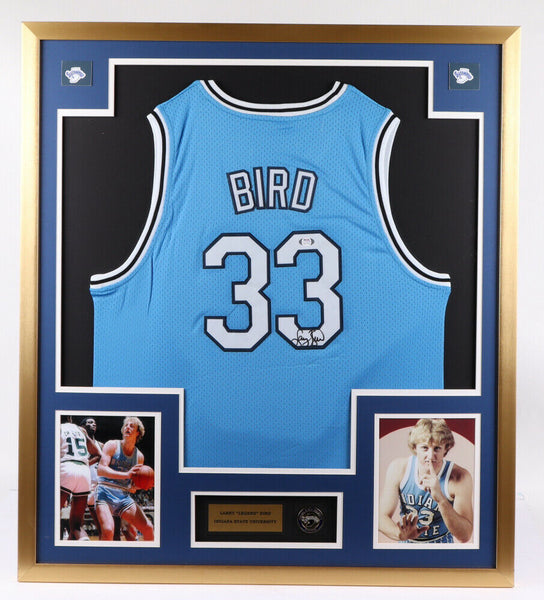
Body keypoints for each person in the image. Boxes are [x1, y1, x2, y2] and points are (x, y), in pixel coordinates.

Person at [378, 418, 473, 543]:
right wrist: (401, 534)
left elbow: (465, 535)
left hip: (441, 545)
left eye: (437, 448)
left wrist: (441, 499)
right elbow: (380, 517)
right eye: (424, 448)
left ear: (446, 448)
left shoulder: (460, 476)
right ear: (415, 448)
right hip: (407, 544)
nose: (430, 456)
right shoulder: (399, 468)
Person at [95, 416, 154, 541]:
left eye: (132, 426)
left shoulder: (139, 456)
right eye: (126, 425)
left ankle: (149, 554)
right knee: (108, 530)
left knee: (148, 528)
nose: (128, 427)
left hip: (123, 497)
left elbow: (132, 487)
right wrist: (126, 475)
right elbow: (101, 469)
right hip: (104, 492)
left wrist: (143, 485)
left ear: (138, 433)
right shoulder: (112, 445)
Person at [59, 415, 101, 540]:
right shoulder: (81, 430)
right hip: (83, 471)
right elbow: (98, 454)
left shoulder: (57, 428)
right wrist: (85, 464)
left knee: (51, 515)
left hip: (65, 467)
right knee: (76, 526)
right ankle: (83, 542)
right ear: (70, 419)